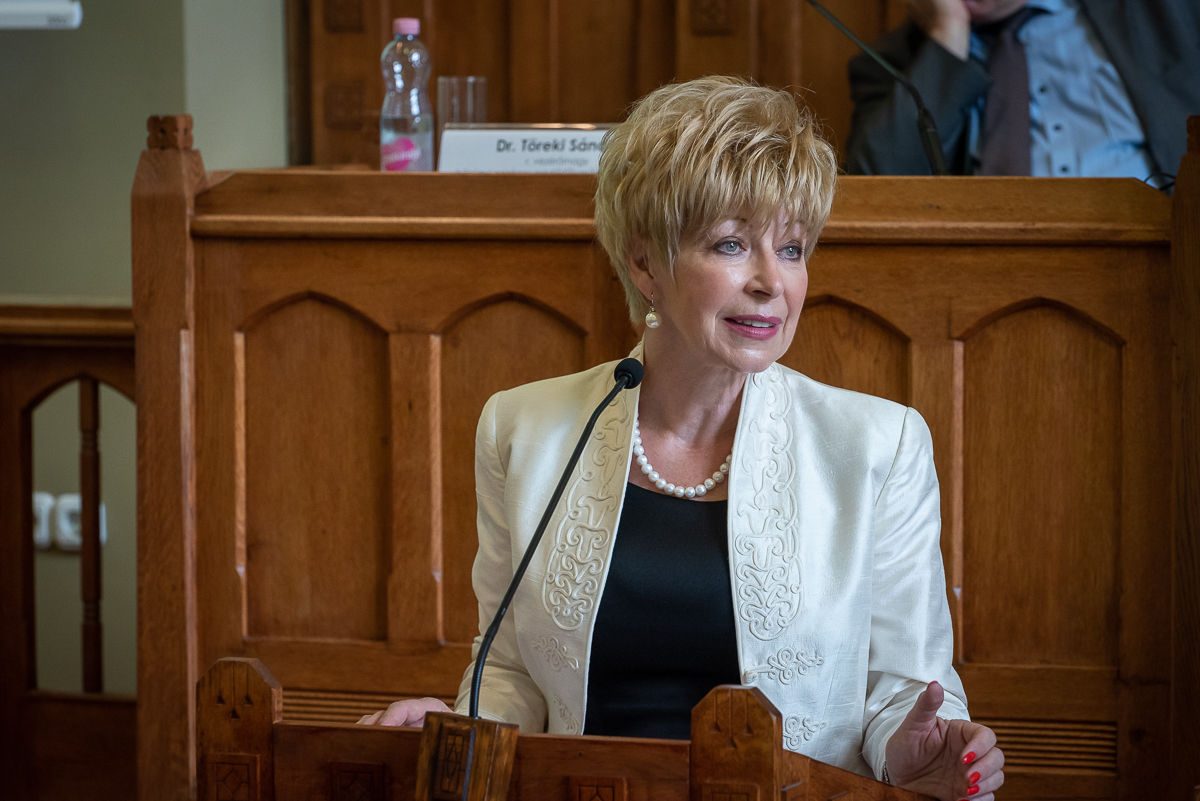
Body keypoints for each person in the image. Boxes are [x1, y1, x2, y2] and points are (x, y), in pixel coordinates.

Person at [358, 76, 1004, 801]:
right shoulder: (522, 429)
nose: (771, 282)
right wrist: (455, 722)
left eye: (792, 248)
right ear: (644, 263)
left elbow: (907, 689)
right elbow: (510, 672)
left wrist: (912, 753)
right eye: (732, 244)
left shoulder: (879, 446)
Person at [843, 0, 1200, 180]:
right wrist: (947, 34)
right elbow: (876, 196)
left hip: (1170, 256)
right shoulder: (892, 64)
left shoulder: (1162, 13)